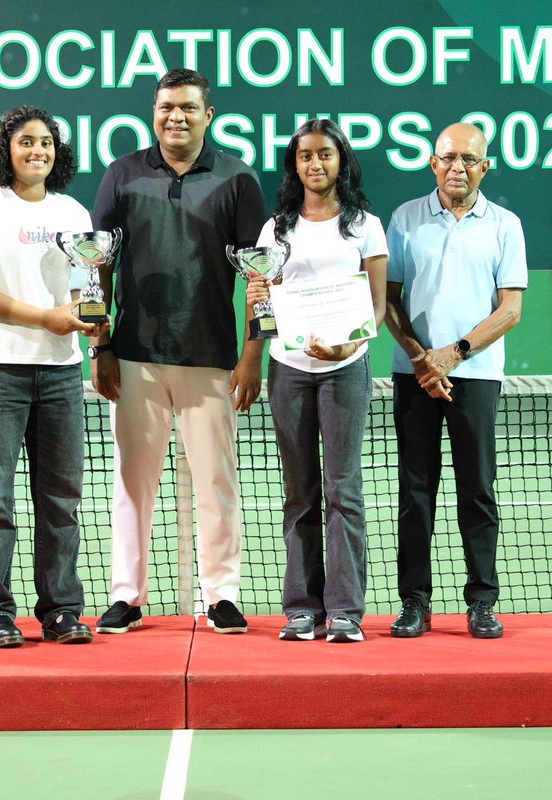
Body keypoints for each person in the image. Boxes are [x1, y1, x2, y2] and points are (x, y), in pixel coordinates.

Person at [89, 68, 268, 634]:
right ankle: (126, 595)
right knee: (131, 482)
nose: (177, 117)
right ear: (154, 111)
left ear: (208, 115)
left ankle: (222, 595)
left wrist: (252, 353)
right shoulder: (122, 174)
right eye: (167, 107)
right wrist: (102, 347)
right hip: (135, 355)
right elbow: (98, 265)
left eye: (189, 108)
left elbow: (259, 277)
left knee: (217, 482)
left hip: (212, 358)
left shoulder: (238, 179)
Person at [0, 106, 105, 648]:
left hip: (60, 376)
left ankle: (61, 610)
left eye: (47, 143)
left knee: (62, 497)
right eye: (26, 142)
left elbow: (85, 293)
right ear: (4, 150)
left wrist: (91, 322)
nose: (38, 151)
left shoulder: (75, 212)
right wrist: (46, 318)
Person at [246, 119, 388, 643]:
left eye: (324, 154)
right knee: (299, 493)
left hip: (345, 370)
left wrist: (349, 344)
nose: (315, 164)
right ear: (295, 164)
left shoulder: (365, 226)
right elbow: (262, 299)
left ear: (340, 160)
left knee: (343, 490)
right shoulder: (276, 229)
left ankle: (346, 610)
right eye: (305, 156)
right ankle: (302, 608)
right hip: (290, 371)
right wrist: (254, 359)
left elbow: (375, 303)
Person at [384, 122, 527, 639]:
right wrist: (423, 360)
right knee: (415, 493)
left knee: (477, 491)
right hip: (413, 378)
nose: (457, 167)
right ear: (432, 162)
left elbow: (510, 309)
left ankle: (482, 602)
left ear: (485, 167)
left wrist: (455, 354)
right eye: (448, 158)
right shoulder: (403, 220)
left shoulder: (506, 225)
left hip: (477, 377)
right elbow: (388, 301)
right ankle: (414, 604)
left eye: (469, 159)